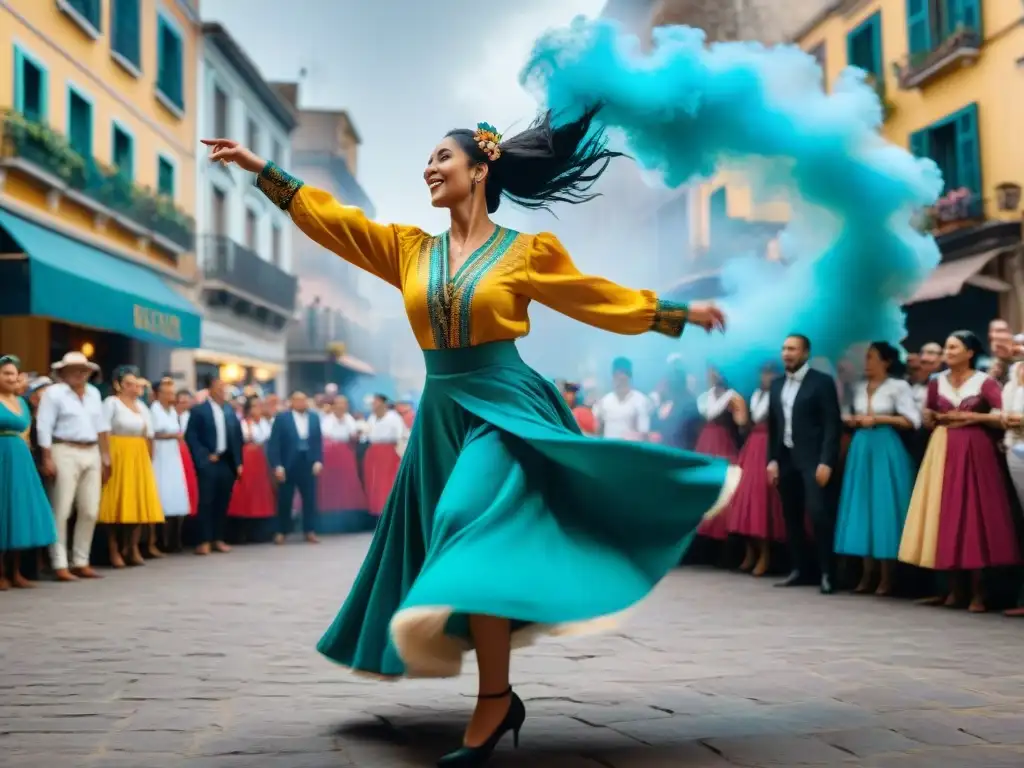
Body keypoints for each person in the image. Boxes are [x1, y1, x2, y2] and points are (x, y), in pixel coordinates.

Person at [203, 108, 732, 766]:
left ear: (480, 170)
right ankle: (499, 696)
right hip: (441, 411)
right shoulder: (409, 250)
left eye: (442, 158)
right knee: (461, 534)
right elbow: (337, 224)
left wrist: (673, 313)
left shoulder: (523, 253)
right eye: (427, 160)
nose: (429, 167)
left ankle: (491, 703)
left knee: (463, 516)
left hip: (503, 404)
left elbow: (591, 295)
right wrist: (264, 174)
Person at [900, 331, 1020, 612]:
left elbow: (1002, 417)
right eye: (946, 347)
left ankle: (979, 592)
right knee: (947, 513)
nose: (948, 351)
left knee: (974, 515)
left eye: (954, 347)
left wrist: (970, 417)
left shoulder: (984, 382)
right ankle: (953, 589)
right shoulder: (935, 382)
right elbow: (928, 418)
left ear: (970, 352)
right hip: (942, 450)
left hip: (976, 449)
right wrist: (931, 418)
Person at [834, 342, 918, 596]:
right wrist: (850, 419)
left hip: (885, 447)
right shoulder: (858, 387)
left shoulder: (898, 386)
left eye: (871, 358)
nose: (866, 362)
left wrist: (880, 419)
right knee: (863, 506)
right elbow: (845, 412)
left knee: (884, 507)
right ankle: (866, 573)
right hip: (861, 446)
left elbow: (912, 420)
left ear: (886, 362)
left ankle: (887, 575)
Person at [768, 334, 842, 595]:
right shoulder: (776, 385)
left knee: (819, 514)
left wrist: (827, 461)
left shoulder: (821, 382)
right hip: (786, 458)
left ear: (806, 353)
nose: (787, 353)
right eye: (784, 348)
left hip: (813, 459)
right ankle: (800, 569)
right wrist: (772, 460)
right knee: (791, 516)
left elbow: (833, 424)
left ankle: (827, 573)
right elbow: (774, 427)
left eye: (793, 349)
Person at [35, 352, 110, 581]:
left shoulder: (94, 394)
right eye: (75, 369)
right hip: (64, 449)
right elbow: (44, 426)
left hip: (91, 450)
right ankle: (59, 563)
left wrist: (106, 457)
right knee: (62, 508)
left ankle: (81, 560)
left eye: (83, 369)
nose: (80, 373)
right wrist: (47, 457)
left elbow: (101, 427)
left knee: (90, 509)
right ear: (63, 372)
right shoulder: (54, 393)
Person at [98, 366, 164, 567]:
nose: (133, 387)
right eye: (128, 383)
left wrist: (149, 457)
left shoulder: (142, 407)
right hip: (119, 452)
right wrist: (106, 457)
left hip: (138, 455)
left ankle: (132, 546)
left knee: (136, 501)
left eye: (136, 384)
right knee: (115, 501)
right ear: (119, 385)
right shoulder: (112, 403)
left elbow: (149, 434)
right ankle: (113, 549)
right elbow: (103, 431)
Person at [0, 355, 57, 589]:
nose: (11, 377)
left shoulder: (22, 402)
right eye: (6, 373)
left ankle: (16, 571)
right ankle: (1, 572)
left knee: (18, 513)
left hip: (20, 458)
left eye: (14, 373)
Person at [729, 362, 786, 576]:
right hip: (753, 445)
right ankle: (750, 551)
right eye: (763, 373)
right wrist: (741, 421)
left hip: (768, 445)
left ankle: (765, 554)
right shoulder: (755, 395)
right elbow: (749, 424)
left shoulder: (780, 396)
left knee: (762, 501)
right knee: (745, 498)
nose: (765, 377)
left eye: (770, 373)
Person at [184, 377, 243, 556]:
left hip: (227, 462)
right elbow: (191, 437)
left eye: (223, 388)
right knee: (207, 501)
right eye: (218, 388)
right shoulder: (199, 411)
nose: (222, 391)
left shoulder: (229, 411)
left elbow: (237, 438)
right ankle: (203, 540)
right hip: (209, 461)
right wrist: (204, 457)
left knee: (222, 501)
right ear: (210, 390)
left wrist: (239, 462)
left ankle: (218, 538)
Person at [693, 367, 747, 544]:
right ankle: (703, 542)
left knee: (723, 489)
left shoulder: (733, 397)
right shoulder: (704, 397)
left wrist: (738, 413)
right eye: (708, 371)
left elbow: (742, 424)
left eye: (714, 371)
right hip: (705, 443)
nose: (710, 375)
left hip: (723, 444)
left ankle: (724, 545)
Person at [267, 390, 323, 544]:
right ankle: (281, 531)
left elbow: (318, 441)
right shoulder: (282, 418)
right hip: (288, 463)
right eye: (298, 400)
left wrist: (318, 460)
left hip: (308, 462)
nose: (301, 403)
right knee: (285, 499)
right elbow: (274, 444)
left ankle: (309, 530)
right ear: (291, 402)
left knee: (310, 499)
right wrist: (277, 465)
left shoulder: (314, 417)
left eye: (304, 400)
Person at [150, 377, 191, 553]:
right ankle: (159, 540)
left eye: (171, 393)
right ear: (158, 394)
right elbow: (152, 434)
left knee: (175, 492)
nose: (170, 396)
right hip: (160, 454)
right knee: (161, 492)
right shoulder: (154, 410)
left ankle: (175, 538)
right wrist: (172, 436)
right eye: (167, 393)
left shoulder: (173, 412)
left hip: (173, 455)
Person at [227, 396, 275, 539]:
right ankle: (242, 530)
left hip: (261, 459)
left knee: (261, 493)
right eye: (254, 406)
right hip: (248, 459)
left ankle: (261, 529)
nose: (257, 409)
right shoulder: (243, 423)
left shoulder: (265, 423)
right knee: (245, 492)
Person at [320, 395, 369, 528]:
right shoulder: (327, 419)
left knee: (349, 483)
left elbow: (352, 435)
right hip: (330, 455)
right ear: (334, 405)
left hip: (346, 453)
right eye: (339, 404)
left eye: (344, 404)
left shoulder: (349, 418)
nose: (341, 406)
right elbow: (326, 434)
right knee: (331, 484)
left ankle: (349, 516)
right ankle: (329, 516)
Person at [362, 394, 405, 517]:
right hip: (374, 451)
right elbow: (366, 434)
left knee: (387, 481)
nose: (374, 405)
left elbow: (400, 436)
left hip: (388, 451)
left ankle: (389, 510)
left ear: (383, 403)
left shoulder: (393, 417)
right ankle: (376, 510)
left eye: (376, 402)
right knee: (374, 481)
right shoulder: (371, 418)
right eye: (373, 403)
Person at [594, 357, 650, 440]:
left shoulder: (640, 400)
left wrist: (631, 436)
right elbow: (597, 430)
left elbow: (644, 433)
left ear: (629, 376)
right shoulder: (605, 401)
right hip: (608, 450)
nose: (619, 380)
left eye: (622, 377)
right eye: (616, 376)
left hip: (630, 450)